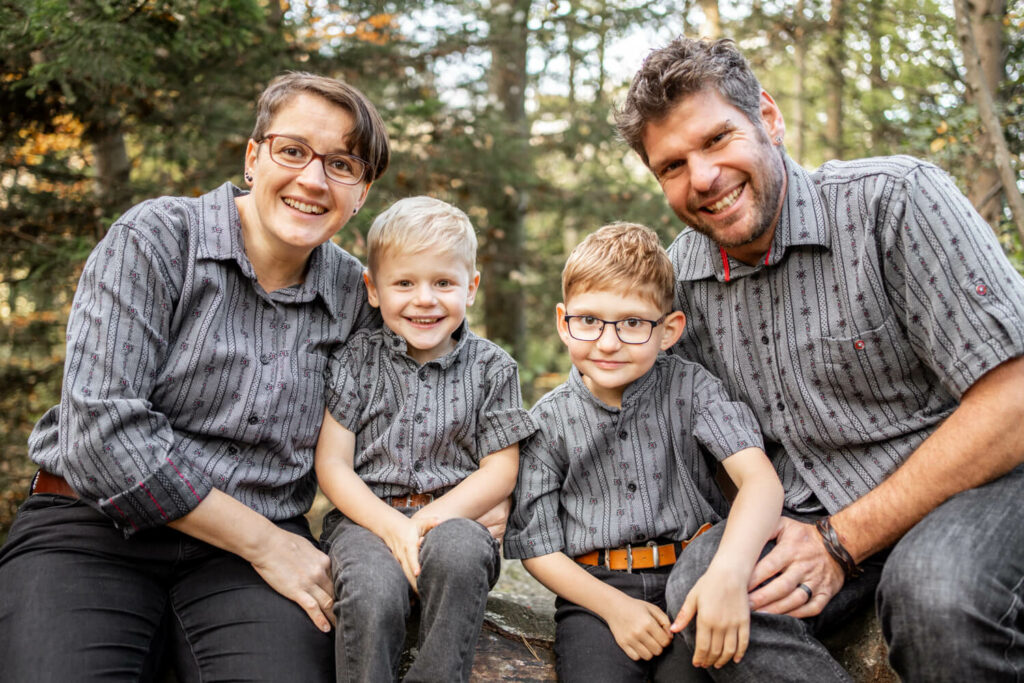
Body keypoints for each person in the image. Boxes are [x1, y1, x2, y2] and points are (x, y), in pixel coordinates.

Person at [615, 36, 1024, 681]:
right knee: (707, 588)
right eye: (671, 166)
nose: (702, 178)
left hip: (977, 485)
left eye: (718, 139)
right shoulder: (682, 287)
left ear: (769, 119)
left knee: (936, 590)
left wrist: (840, 542)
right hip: (805, 513)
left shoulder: (895, 200)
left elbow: (1015, 396)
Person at [0, 72, 390, 681]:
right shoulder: (156, 238)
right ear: (254, 155)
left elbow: (404, 420)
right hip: (92, 527)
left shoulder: (356, 296)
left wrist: (469, 500)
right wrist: (265, 542)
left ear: (362, 191)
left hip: (242, 569)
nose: (314, 180)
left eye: (343, 165)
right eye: (293, 151)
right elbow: (103, 432)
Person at [504, 222, 826, 682]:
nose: (608, 342)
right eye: (589, 320)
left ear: (669, 329)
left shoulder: (693, 389)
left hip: (696, 575)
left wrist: (728, 575)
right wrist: (614, 608)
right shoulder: (548, 421)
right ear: (563, 321)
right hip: (596, 595)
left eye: (633, 323)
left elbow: (759, 482)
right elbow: (536, 545)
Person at [314, 196, 535, 682]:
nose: (425, 299)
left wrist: (431, 519)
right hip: (366, 519)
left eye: (443, 283)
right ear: (373, 289)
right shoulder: (356, 360)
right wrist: (391, 526)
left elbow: (500, 469)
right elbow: (333, 465)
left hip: (452, 515)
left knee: (459, 552)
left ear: (470, 287)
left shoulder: (492, 368)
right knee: (370, 588)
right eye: (405, 283)